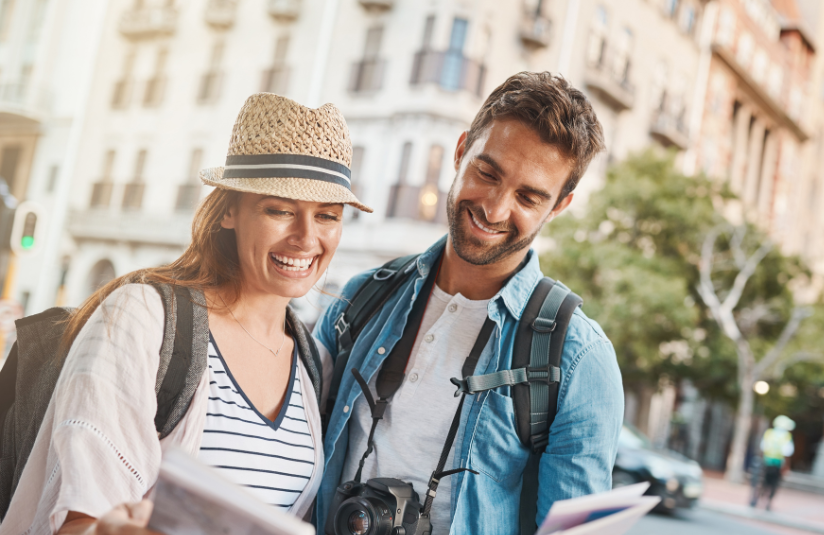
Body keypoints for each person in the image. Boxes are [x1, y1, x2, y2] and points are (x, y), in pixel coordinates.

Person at [0, 93, 370, 535]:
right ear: (230, 210)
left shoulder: (315, 365)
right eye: (281, 210)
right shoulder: (141, 318)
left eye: (327, 216)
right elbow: (80, 518)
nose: (306, 238)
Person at [313, 72, 625, 535]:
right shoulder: (361, 298)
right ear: (461, 152)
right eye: (487, 173)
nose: (495, 209)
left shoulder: (580, 361)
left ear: (559, 205)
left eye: (529, 196)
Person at [753, 415, 795, 511]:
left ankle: (757, 500)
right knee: (774, 484)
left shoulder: (769, 433)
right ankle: (768, 503)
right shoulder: (787, 436)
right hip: (778, 464)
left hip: (766, 461)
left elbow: (763, 448)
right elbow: (787, 453)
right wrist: (786, 466)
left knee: (763, 482)